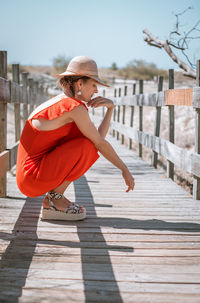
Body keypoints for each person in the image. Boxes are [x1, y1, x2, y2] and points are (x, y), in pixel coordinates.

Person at [16, 56, 135, 221]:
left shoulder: (62, 102)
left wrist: (110, 109)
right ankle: (55, 199)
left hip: (29, 176)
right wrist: (124, 169)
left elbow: (98, 139)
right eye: (93, 85)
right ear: (79, 84)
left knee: (88, 142)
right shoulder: (73, 107)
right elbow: (98, 143)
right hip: (32, 177)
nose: (96, 91)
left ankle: (52, 201)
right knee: (88, 145)